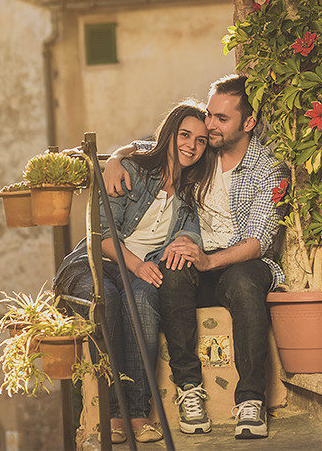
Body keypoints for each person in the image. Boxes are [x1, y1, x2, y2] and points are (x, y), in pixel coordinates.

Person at [103, 74, 289, 439]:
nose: (209, 124)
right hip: (198, 261)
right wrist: (116, 157)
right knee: (172, 269)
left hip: (242, 261)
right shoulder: (202, 153)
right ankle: (190, 390)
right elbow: (158, 145)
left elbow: (259, 240)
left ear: (248, 123)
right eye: (210, 114)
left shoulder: (269, 167)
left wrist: (208, 261)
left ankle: (251, 400)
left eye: (222, 118)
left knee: (244, 281)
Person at [54, 102, 215, 445]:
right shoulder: (132, 170)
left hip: (140, 273)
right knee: (107, 300)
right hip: (94, 263)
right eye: (185, 135)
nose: (192, 145)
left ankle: (139, 412)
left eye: (201, 141)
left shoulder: (191, 192)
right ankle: (113, 414)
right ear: (169, 134)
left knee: (143, 303)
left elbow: (192, 230)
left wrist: (185, 240)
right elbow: (102, 234)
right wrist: (116, 157)